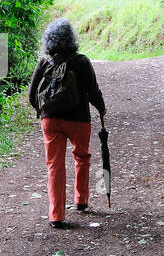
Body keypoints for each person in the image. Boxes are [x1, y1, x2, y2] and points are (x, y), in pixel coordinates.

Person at [27, 18, 106, 229]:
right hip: (79, 119)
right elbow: (93, 91)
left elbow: (32, 95)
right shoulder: (81, 62)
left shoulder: (44, 63)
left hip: (50, 120)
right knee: (82, 156)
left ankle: (56, 215)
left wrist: (43, 111)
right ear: (72, 39)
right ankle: (81, 200)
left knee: (54, 165)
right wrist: (101, 108)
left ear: (49, 41)